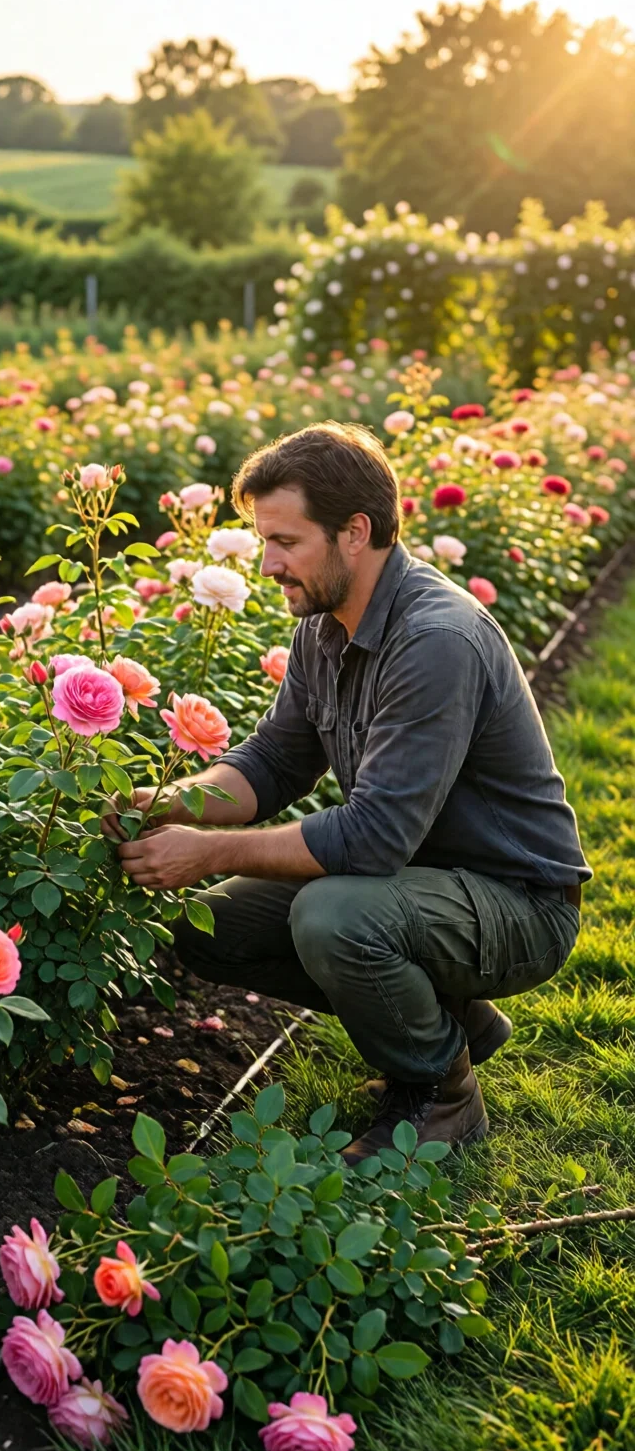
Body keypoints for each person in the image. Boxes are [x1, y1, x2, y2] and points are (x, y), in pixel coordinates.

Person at [104, 421, 588, 1163]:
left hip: (517, 903)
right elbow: (271, 762)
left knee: (332, 915)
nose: (268, 564)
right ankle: (452, 1019)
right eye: (264, 541)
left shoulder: (436, 640)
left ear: (355, 532)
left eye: (286, 541)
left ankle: (442, 1093)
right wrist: (166, 802)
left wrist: (205, 851)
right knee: (210, 922)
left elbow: (371, 839)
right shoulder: (325, 625)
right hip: (422, 885)